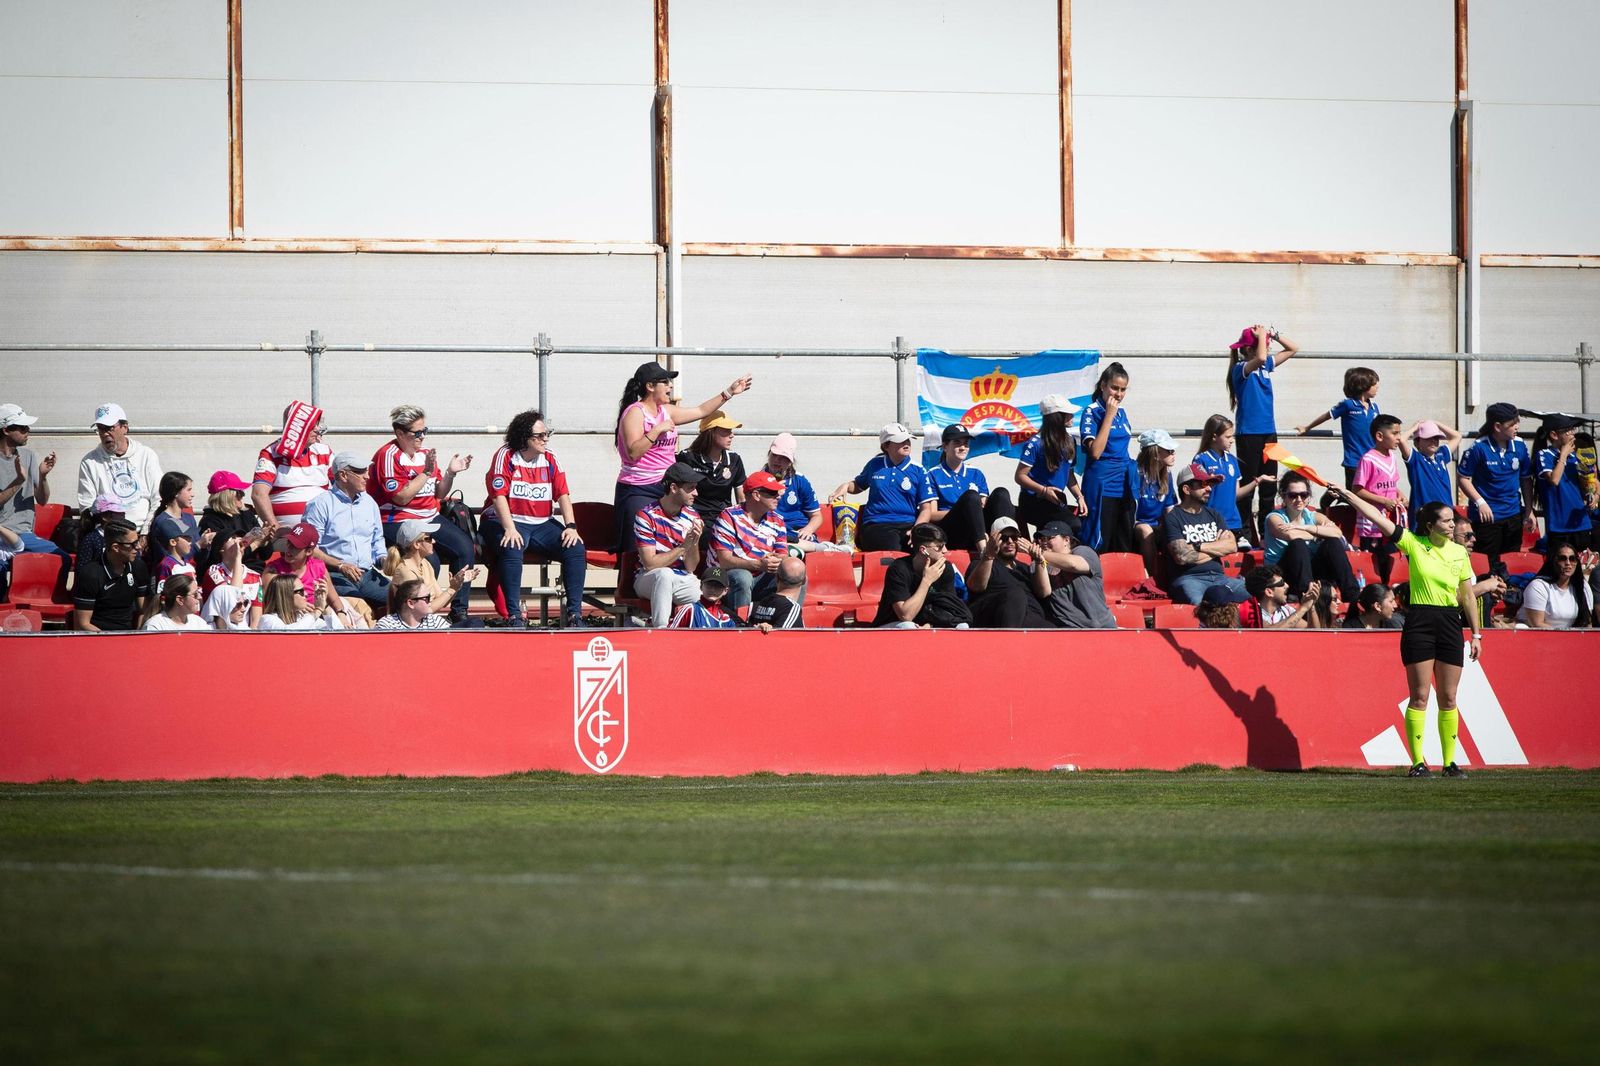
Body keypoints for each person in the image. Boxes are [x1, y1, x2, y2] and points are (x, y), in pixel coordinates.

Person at [1326, 484, 1481, 778]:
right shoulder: (1413, 542)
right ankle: (1418, 762)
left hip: (1450, 622)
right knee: (1420, 695)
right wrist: (1348, 496)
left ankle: (1450, 762)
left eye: (1453, 520)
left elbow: (1468, 596)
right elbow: (1377, 517)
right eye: (1447, 520)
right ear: (1431, 525)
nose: (1453, 524)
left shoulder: (1460, 553)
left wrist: (1476, 634)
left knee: (1449, 697)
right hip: (1420, 621)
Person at [614, 360, 752, 549]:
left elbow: (701, 411)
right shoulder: (636, 412)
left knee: (672, 543)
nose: (670, 386)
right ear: (650, 386)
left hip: (665, 487)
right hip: (639, 488)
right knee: (639, 549)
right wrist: (656, 430)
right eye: (665, 382)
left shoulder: (667, 411)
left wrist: (729, 392)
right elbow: (632, 453)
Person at [478, 410, 586, 628]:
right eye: (539, 436)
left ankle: (575, 614)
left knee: (575, 548)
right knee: (512, 546)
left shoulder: (550, 458)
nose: (545, 439)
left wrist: (571, 526)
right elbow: (498, 496)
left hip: (541, 523)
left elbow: (563, 494)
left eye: (547, 434)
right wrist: (509, 528)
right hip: (505, 519)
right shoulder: (506, 456)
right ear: (523, 437)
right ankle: (514, 615)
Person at [368, 404, 474, 622]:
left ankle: (459, 611)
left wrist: (450, 474)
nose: (422, 436)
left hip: (428, 516)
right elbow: (401, 497)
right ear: (399, 433)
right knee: (429, 560)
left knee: (465, 548)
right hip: (399, 518)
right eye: (416, 433)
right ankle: (419, 613)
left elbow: (438, 493)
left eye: (425, 430)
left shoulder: (424, 453)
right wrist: (425, 472)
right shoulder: (388, 455)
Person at [1225, 323, 1299, 538]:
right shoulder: (1241, 367)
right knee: (1249, 485)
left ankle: (1268, 531)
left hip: (1268, 432)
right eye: (1263, 345)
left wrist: (1273, 335)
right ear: (1248, 349)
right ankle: (1244, 533)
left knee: (1269, 486)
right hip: (1249, 434)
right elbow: (1258, 357)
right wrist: (1261, 338)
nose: (1266, 350)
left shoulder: (1265, 366)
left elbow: (1293, 349)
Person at [303, 452, 389, 611]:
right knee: (358, 608)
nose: (367, 476)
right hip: (333, 574)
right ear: (343, 475)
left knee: (405, 599)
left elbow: (377, 540)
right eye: (360, 471)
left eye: (366, 471)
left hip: (368, 574)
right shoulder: (321, 504)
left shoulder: (369, 503)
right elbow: (309, 549)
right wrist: (340, 565)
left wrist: (384, 560)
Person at [1458, 402, 1534, 568]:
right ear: (1498, 426)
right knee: (1487, 564)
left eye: (1517, 422)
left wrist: (1529, 510)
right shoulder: (1479, 448)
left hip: (1513, 514)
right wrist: (1480, 502)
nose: (1517, 427)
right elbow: (1463, 478)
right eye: (1512, 424)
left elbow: (1526, 479)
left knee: (1510, 562)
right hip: (1487, 518)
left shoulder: (1520, 445)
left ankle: (1509, 593)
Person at [1262, 473, 1358, 603]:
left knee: (1333, 543)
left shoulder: (1313, 516)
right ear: (1284, 496)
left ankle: (1352, 596)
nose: (1299, 499)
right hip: (1284, 574)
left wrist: (1306, 528)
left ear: (1308, 497)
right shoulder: (1274, 517)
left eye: (1303, 495)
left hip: (1310, 572)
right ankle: (1307, 597)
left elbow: (1337, 533)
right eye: (1293, 495)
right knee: (1298, 544)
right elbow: (1291, 535)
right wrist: (1318, 535)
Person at [632, 461, 707, 627]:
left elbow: (691, 567)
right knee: (664, 575)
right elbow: (650, 564)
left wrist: (693, 542)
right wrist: (682, 547)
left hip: (681, 577)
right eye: (690, 487)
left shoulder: (693, 516)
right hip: (647, 578)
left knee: (707, 594)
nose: (696, 493)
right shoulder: (646, 516)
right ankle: (661, 631)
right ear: (673, 488)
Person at [916, 424, 1013, 551]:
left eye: (966, 443)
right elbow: (932, 514)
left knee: (1001, 492)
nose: (963, 447)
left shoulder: (976, 473)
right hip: (952, 529)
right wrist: (964, 510)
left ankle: (1007, 543)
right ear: (945, 446)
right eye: (957, 443)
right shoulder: (932, 474)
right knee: (971, 496)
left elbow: (984, 504)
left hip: (977, 525)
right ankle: (983, 550)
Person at [1163, 462, 1248, 605]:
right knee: (1200, 606)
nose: (1209, 488)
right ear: (1187, 489)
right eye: (1203, 484)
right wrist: (1217, 548)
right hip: (1189, 579)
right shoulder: (1173, 518)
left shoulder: (1214, 514)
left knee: (1254, 597)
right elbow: (1182, 557)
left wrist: (1197, 546)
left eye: (1210, 484)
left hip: (1220, 578)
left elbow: (1232, 546)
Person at [831, 423, 924, 552]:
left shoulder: (918, 470)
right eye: (900, 440)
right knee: (892, 547)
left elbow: (927, 509)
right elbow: (858, 485)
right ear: (886, 446)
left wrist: (916, 529)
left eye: (907, 439)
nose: (906, 443)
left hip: (909, 524)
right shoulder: (874, 465)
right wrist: (846, 485)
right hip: (877, 524)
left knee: (923, 547)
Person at [713, 471, 796, 610]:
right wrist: (759, 564)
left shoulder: (778, 520)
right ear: (756, 495)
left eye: (778, 493)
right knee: (742, 577)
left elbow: (782, 555)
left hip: (760, 577)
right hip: (725, 579)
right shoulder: (729, 516)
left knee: (795, 574)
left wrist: (775, 561)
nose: (778, 496)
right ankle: (741, 626)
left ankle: (788, 622)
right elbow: (724, 560)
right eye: (772, 493)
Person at [76, 402, 161, 534]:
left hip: (146, 530)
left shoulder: (146, 455)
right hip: (110, 534)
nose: (105, 434)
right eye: (100, 429)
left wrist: (145, 532)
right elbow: (87, 506)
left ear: (124, 427)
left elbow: (158, 497)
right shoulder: (90, 462)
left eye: (109, 428)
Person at [1079, 362, 1135, 552]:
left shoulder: (1123, 413)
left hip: (1124, 485)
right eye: (1114, 388)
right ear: (1103, 385)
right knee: (1101, 541)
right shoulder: (1092, 412)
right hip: (1102, 487)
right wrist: (1109, 416)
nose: (1118, 394)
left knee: (1124, 542)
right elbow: (1095, 452)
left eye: (1122, 389)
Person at [269, 522, 369, 628]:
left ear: (308, 551)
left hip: (318, 615)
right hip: (288, 619)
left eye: (295, 546)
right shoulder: (272, 570)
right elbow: (267, 604)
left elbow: (334, 599)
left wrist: (341, 615)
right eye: (288, 543)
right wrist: (293, 606)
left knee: (356, 613)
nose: (288, 549)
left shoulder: (318, 567)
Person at [873, 523, 972, 629]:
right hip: (893, 623)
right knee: (908, 627)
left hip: (929, 621)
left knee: (962, 626)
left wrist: (929, 625)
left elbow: (949, 607)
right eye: (939, 547)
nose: (945, 551)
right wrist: (926, 581)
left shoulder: (945, 568)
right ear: (923, 550)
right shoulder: (899, 569)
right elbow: (905, 616)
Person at [1295, 366, 1381, 490]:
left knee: (1371, 490)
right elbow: (1327, 416)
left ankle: (1337, 495)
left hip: (1373, 459)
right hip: (1354, 460)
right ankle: (1331, 497)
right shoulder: (1348, 405)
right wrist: (1307, 428)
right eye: (1374, 384)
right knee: (1354, 493)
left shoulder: (1375, 407)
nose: (1377, 387)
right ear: (1363, 385)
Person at [1014, 395, 1086, 537]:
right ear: (1057, 417)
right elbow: (1019, 476)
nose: (1072, 415)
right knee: (1074, 525)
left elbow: (1069, 474)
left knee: (1069, 527)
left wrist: (1080, 497)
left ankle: (1042, 545)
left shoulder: (1070, 440)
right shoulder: (1035, 443)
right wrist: (1044, 491)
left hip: (1056, 501)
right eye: (1068, 412)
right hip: (1033, 502)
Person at [252, 402, 331, 528]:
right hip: (288, 537)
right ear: (297, 428)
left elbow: (344, 484)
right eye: (312, 426)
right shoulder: (271, 453)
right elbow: (258, 495)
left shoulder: (324, 450)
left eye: (317, 425)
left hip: (325, 532)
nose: (318, 430)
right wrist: (276, 529)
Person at [0, 402, 64, 557]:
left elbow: (42, 500)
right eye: (23, 428)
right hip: (2, 534)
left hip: (25, 534)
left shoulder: (28, 455)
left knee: (62, 559)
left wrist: (42, 476)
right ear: (6, 430)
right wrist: (18, 481)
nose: (28, 431)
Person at [1195, 414, 1270, 545]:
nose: (1232, 440)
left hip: (1233, 522)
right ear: (1214, 437)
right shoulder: (1201, 459)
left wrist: (1258, 481)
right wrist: (1210, 481)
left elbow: (1236, 494)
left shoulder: (1232, 460)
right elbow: (1197, 493)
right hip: (1211, 522)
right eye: (1228, 437)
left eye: (1232, 436)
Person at [965, 517, 1052, 629]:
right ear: (993, 540)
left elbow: (1044, 592)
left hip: (1031, 619)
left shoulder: (1024, 568)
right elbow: (976, 586)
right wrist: (989, 555)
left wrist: (1039, 560)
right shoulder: (981, 563)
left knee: (1055, 630)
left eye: (1014, 537)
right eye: (1004, 538)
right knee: (1016, 595)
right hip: (996, 618)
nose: (1010, 541)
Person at [1033, 520, 1118, 630]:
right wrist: (1039, 560)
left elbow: (1073, 564)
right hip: (1069, 629)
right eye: (1042, 539)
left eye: (1050, 538)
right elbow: (1044, 592)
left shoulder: (1084, 551)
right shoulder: (1037, 564)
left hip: (1103, 627)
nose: (1044, 542)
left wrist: (1042, 554)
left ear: (1066, 540)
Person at [1352, 414, 1407, 584]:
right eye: (1395, 433)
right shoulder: (1368, 459)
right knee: (1375, 565)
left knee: (1390, 559)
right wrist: (1383, 501)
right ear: (1379, 436)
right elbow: (1357, 490)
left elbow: (1389, 483)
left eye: (1400, 433)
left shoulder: (1392, 457)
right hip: (1372, 524)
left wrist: (1399, 494)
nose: (1399, 438)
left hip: (1390, 521)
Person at [1533, 414, 1597, 553]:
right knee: (1560, 567)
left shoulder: (1576, 456)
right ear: (1554, 435)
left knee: (1581, 567)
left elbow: (1592, 481)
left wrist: (1594, 494)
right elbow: (1554, 480)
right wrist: (1563, 455)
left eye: (1573, 429)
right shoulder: (1545, 454)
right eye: (1567, 430)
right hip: (1559, 525)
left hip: (1580, 523)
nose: (1572, 433)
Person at [71, 518, 148, 632]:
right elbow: (82, 624)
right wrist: (111, 640)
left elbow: (144, 611)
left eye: (138, 541)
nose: (138, 547)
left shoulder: (138, 567)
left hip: (129, 635)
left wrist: (137, 635)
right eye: (133, 544)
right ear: (115, 547)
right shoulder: (90, 574)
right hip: (98, 637)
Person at [678, 412, 746, 524]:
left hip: (723, 521)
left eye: (731, 430)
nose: (732, 435)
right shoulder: (687, 457)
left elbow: (742, 498)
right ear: (711, 432)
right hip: (691, 519)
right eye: (726, 430)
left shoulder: (734, 459)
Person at [1130, 428, 1179, 579]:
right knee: (1146, 530)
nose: (1173, 454)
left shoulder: (1167, 476)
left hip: (1156, 525)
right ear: (1156, 453)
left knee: (1176, 528)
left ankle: (1177, 576)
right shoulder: (1135, 473)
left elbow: (1170, 510)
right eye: (1169, 450)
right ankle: (1151, 578)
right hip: (1136, 524)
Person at [199, 470, 271, 569]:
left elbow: (265, 555)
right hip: (229, 574)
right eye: (239, 492)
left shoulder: (247, 514)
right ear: (227, 496)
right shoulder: (210, 522)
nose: (243, 495)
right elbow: (229, 557)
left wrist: (265, 541)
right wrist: (256, 543)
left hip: (255, 570)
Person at [1400, 420, 1463, 530]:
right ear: (1417, 442)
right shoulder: (1416, 459)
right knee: (1425, 546)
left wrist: (1437, 423)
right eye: (1428, 438)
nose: (1433, 441)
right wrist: (1415, 427)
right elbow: (1401, 440)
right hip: (1425, 515)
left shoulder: (1441, 455)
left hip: (1445, 513)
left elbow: (1457, 436)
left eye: (1436, 438)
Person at [1516, 546, 1596, 629]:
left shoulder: (1583, 587)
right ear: (1553, 561)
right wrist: (1566, 637)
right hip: (1538, 636)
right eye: (1562, 558)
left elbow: (1587, 623)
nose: (1568, 563)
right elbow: (1537, 625)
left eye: (1572, 559)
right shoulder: (1538, 586)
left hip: (1570, 636)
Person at [762, 433, 823, 544]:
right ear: (769, 454)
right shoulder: (757, 480)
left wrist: (808, 530)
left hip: (798, 533)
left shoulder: (800, 481)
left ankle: (818, 548)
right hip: (769, 531)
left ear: (790, 461)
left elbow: (816, 516)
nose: (777, 460)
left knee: (794, 544)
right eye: (774, 454)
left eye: (783, 457)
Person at [200, 534, 262, 631]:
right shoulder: (213, 571)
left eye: (239, 537)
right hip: (218, 629)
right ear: (221, 549)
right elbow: (233, 596)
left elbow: (257, 611)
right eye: (232, 538)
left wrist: (252, 634)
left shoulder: (255, 576)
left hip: (244, 631)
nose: (238, 540)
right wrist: (238, 558)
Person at [148, 471, 208, 569]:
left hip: (189, 575)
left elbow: (197, 557)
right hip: (171, 579)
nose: (192, 494)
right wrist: (199, 545)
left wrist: (206, 545)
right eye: (189, 490)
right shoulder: (164, 522)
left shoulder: (189, 518)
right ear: (176, 493)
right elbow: (173, 559)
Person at [257, 573, 347, 631]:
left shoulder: (302, 617)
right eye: (301, 591)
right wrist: (317, 610)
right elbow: (288, 635)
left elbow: (338, 632)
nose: (307, 594)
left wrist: (325, 607)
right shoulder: (267, 620)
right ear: (286, 595)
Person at [1240, 565, 1320, 629]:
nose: (1287, 586)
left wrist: (1310, 606)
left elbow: (1314, 634)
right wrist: (1303, 608)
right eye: (1281, 583)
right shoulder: (1251, 611)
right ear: (1269, 592)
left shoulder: (1286, 610)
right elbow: (1268, 633)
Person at [669, 567, 740, 629]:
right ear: (701, 586)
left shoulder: (727, 620)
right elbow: (669, 636)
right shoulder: (690, 610)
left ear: (725, 591)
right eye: (709, 585)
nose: (712, 589)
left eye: (718, 586)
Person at [749, 556, 807, 631]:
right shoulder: (792, 608)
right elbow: (778, 637)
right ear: (804, 580)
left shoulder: (756, 605)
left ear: (776, 577)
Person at [374, 577, 453, 630]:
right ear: (411, 603)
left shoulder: (436, 622)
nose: (430, 601)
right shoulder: (386, 626)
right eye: (427, 598)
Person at [141, 574, 209, 632]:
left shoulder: (199, 623)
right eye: (195, 594)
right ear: (180, 600)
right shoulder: (155, 627)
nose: (199, 597)